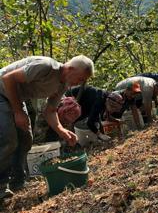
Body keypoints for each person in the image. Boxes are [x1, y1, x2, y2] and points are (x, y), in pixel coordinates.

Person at [0, 55, 94, 199]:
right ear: (70, 69)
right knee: (9, 139)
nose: (80, 83)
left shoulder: (62, 85)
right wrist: (18, 111)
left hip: (16, 98)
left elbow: (50, 111)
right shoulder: (46, 67)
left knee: (25, 139)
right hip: (2, 92)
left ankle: (16, 182)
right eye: (80, 78)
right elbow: (8, 78)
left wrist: (62, 131)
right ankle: (1, 185)